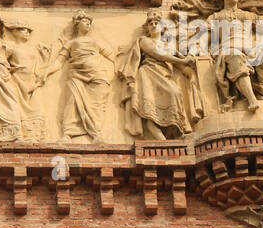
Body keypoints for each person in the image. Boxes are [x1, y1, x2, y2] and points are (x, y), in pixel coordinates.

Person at [120, 9, 202, 138]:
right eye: (150, 23)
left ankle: (176, 133)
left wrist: (188, 70)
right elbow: (160, 55)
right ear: (146, 27)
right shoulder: (144, 40)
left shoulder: (167, 44)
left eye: (156, 23)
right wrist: (183, 60)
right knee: (151, 106)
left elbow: (177, 60)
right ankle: (160, 138)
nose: (153, 25)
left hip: (164, 74)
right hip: (148, 73)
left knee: (175, 93)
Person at [44, 12, 115, 142]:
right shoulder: (71, 43)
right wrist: (46, 72)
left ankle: (96, 134)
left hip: (97, 74)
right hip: (76, 75)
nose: (88, 23)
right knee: (72, 102)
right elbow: (59, 62)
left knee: (98, 105)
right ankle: (67, 134)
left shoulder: (95, 41)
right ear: (77, 24)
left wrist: (125, 65)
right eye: (85, 21)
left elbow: (111, 56)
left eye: (89, 22)